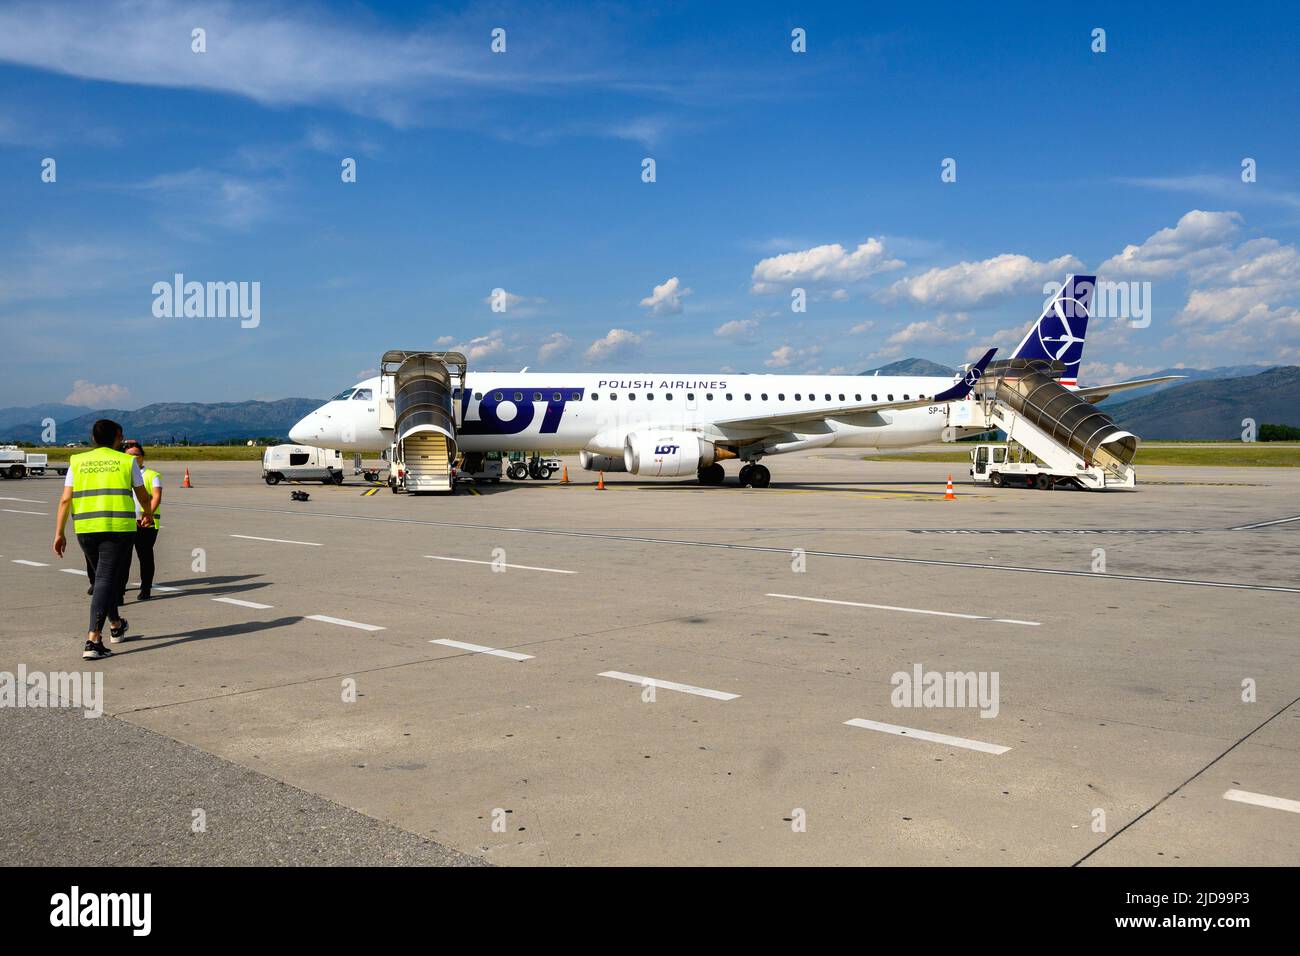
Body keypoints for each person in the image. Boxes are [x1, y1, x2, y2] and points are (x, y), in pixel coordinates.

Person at [52, 419, 154, 660]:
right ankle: (93, 639)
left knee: (102, 580)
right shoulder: (127, 461)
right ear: (118, 437)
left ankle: (116, 624)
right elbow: (142, 494)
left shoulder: (77, 461)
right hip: (117, 529)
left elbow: (66, 499)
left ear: (93, 438)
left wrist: (59, 532)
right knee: (105, 579)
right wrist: (148, 514)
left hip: (86, 528)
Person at [123, 442, 162, 600]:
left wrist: (148, 514)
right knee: (123, 558)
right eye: (129, 455)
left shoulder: (152, 475)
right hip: (124, 523)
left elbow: (156, 496)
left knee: (145, 556)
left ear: (142, 457)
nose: (133, 458)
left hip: (145, 523)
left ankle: (146, 588)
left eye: (136, 455)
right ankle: (120, 589)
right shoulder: (121, 475)